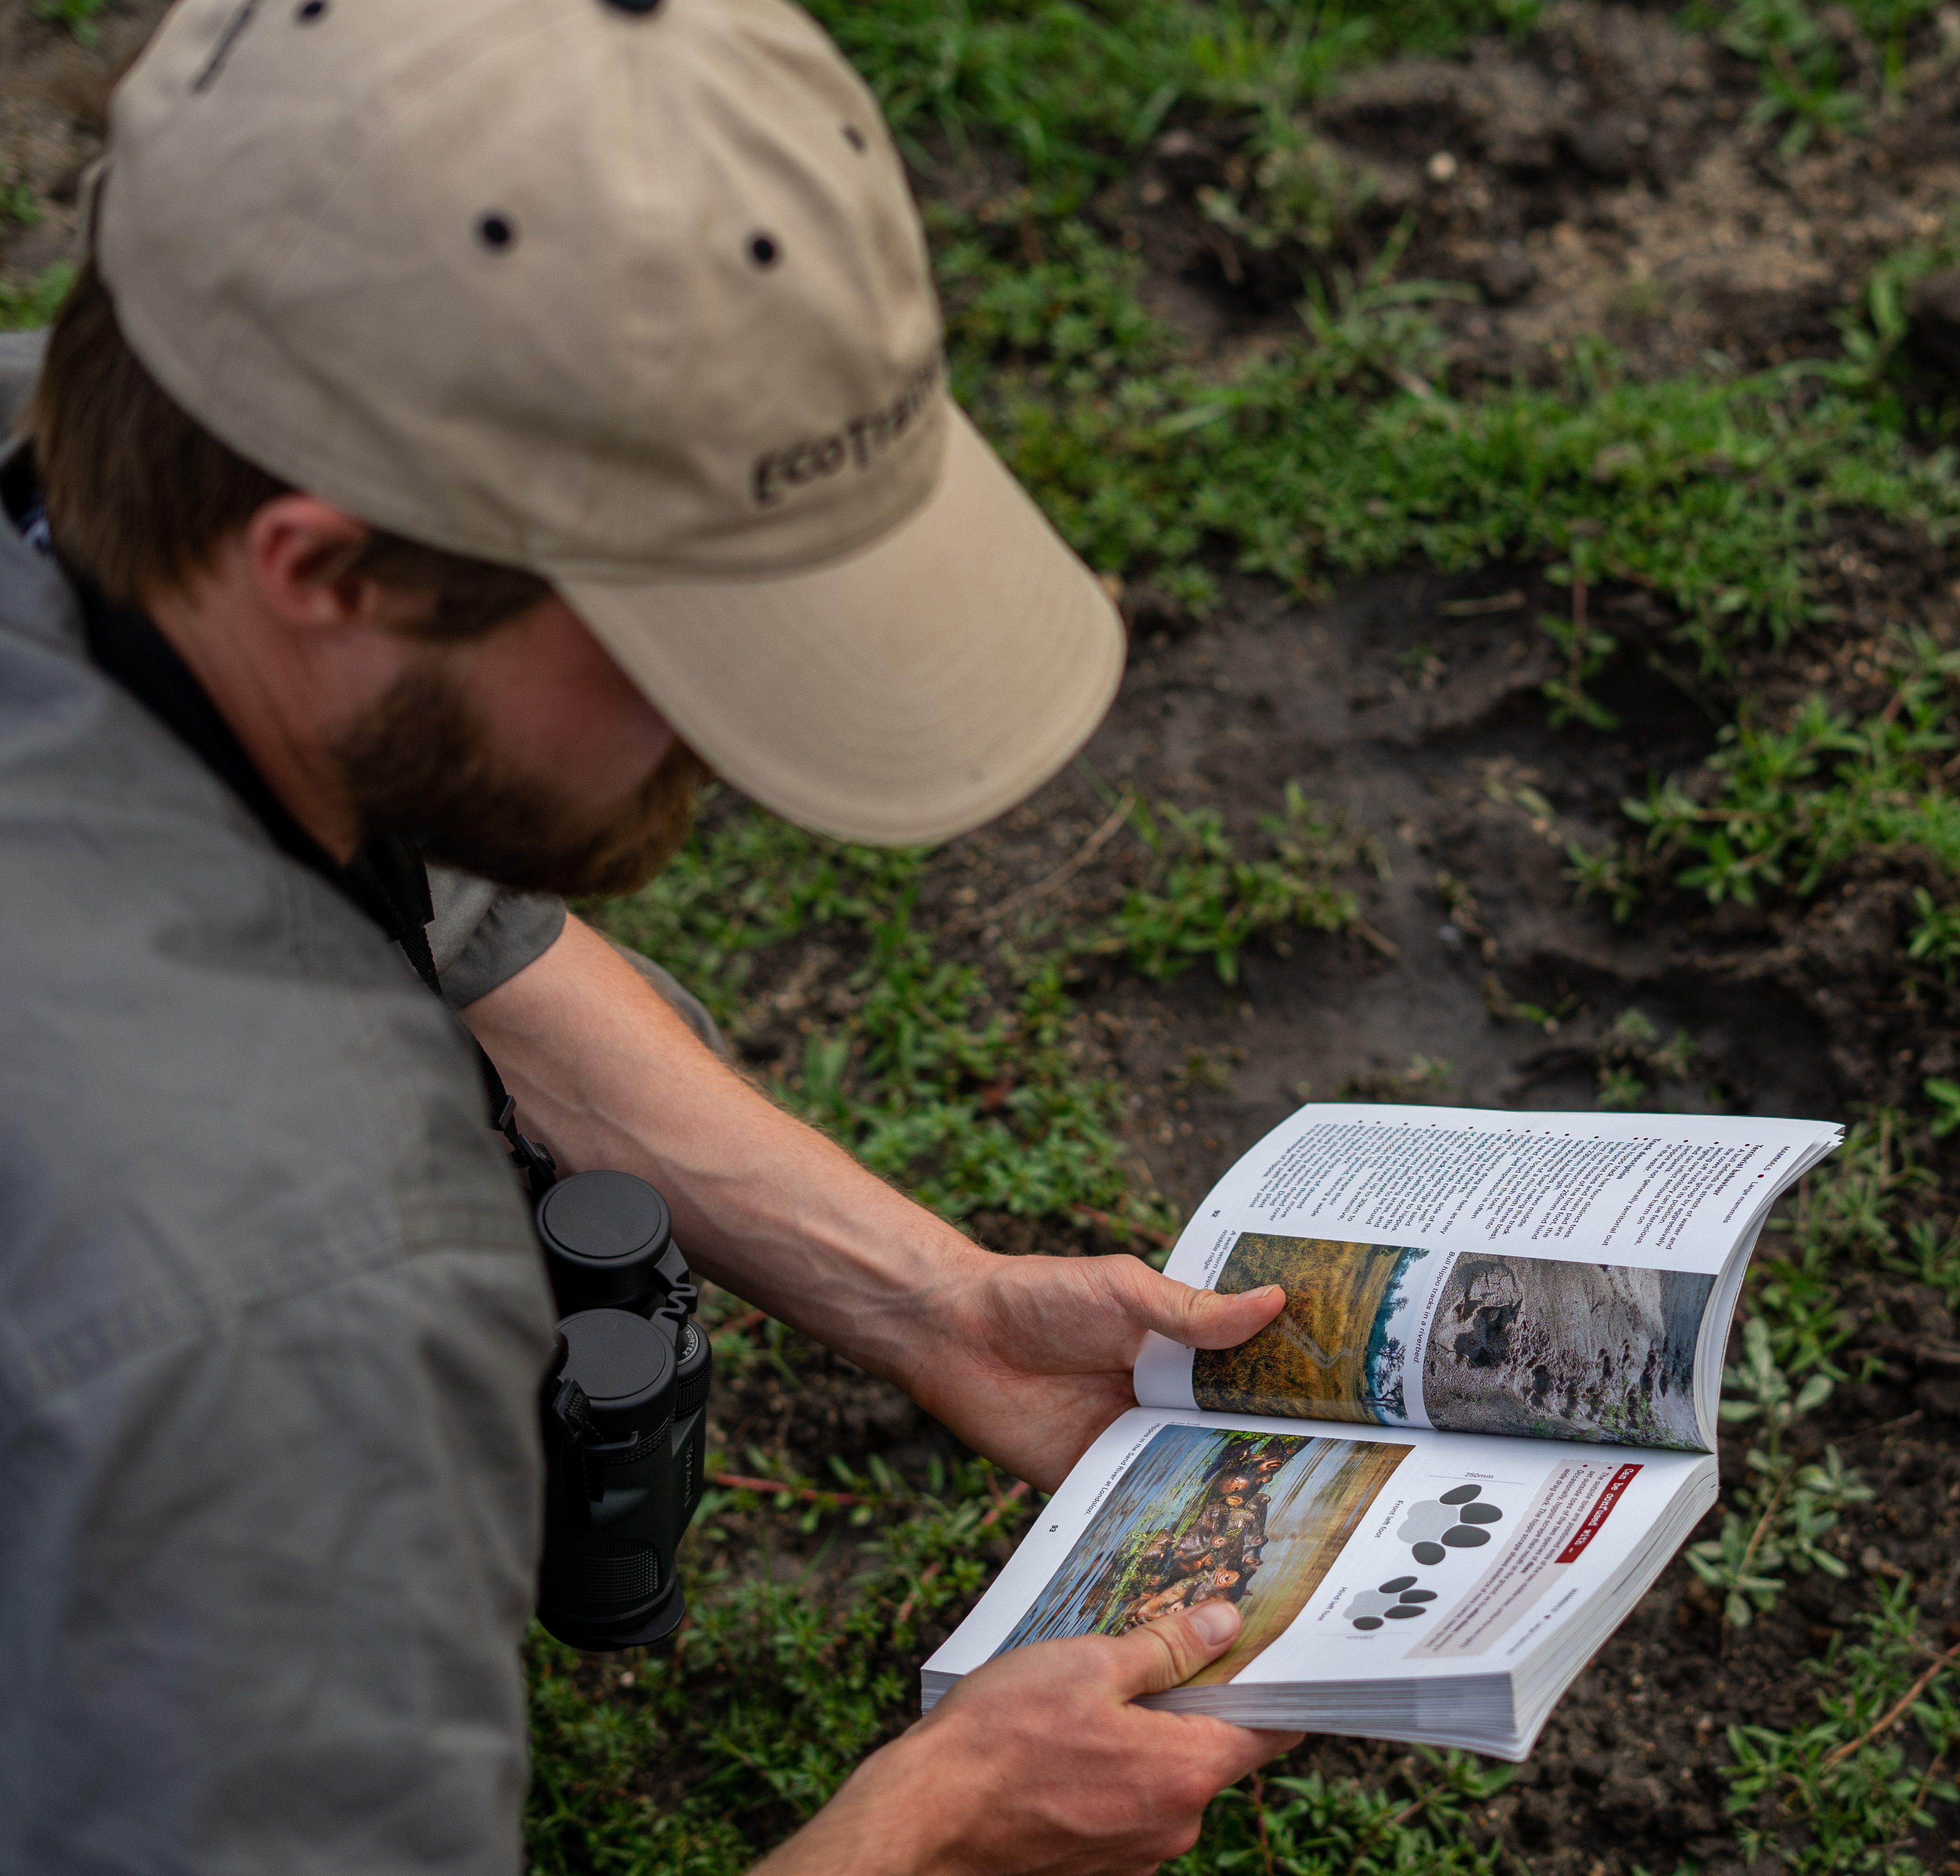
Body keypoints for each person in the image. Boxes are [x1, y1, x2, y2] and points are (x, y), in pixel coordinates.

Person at [0, 1, 1298, 1871]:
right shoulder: (289, 1300)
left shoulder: (122, 442)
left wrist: (929, 1297)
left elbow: (435, 914)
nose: (732, 747)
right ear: (328, 567)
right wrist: (937, 1823)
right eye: (689, 649)